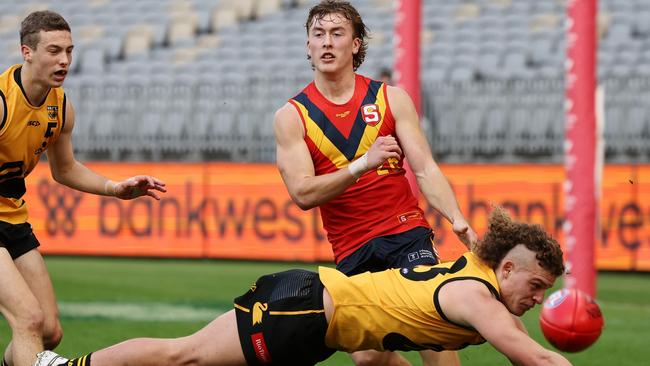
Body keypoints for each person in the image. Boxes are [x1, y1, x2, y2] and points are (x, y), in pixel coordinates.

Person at [35, 207, 572, 366]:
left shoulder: (474, 275)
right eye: (536, 285)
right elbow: (537, 360)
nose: (537, 299)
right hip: (302, 313)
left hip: (313, 318)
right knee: (186, 356)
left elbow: (379, 348)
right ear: (505, 269)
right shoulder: (476, 298)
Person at [273, 1, 476, 364]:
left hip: (404, 232)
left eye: (337, 34)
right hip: (351, 247)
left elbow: (426, 168)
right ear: (307, 45)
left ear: (355, 44)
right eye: (317, 35)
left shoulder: (390, 98)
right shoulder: (293, 116)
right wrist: (363, 164)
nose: (326, 43)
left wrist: (456, 218)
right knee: (368, 358)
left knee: (433, 330)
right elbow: (303, 194)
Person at [0, 10, 166, 366]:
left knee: (49, 332)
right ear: (26, 53)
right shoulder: (1, 101)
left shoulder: (60, 106)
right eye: (54, 50)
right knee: (27, 319)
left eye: (70, 51)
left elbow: (65, 169)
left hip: (12, 217)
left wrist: (114, 188)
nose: (65, 60)